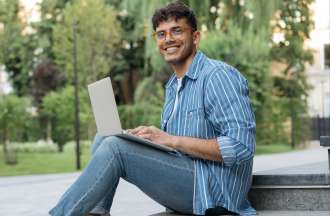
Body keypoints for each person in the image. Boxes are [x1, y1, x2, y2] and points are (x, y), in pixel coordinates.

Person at [49, 1, 256, 216]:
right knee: (105, 136)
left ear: (195, 37)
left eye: (177, 31)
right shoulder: (173, 86)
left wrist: (170, 140)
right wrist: (146, 139)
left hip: (214, 192)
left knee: (114, 147)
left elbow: (240, 147)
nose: (168, 39)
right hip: (189, 178)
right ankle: (96, 212)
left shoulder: (217, 76)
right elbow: (178, 146)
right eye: (161, 34)